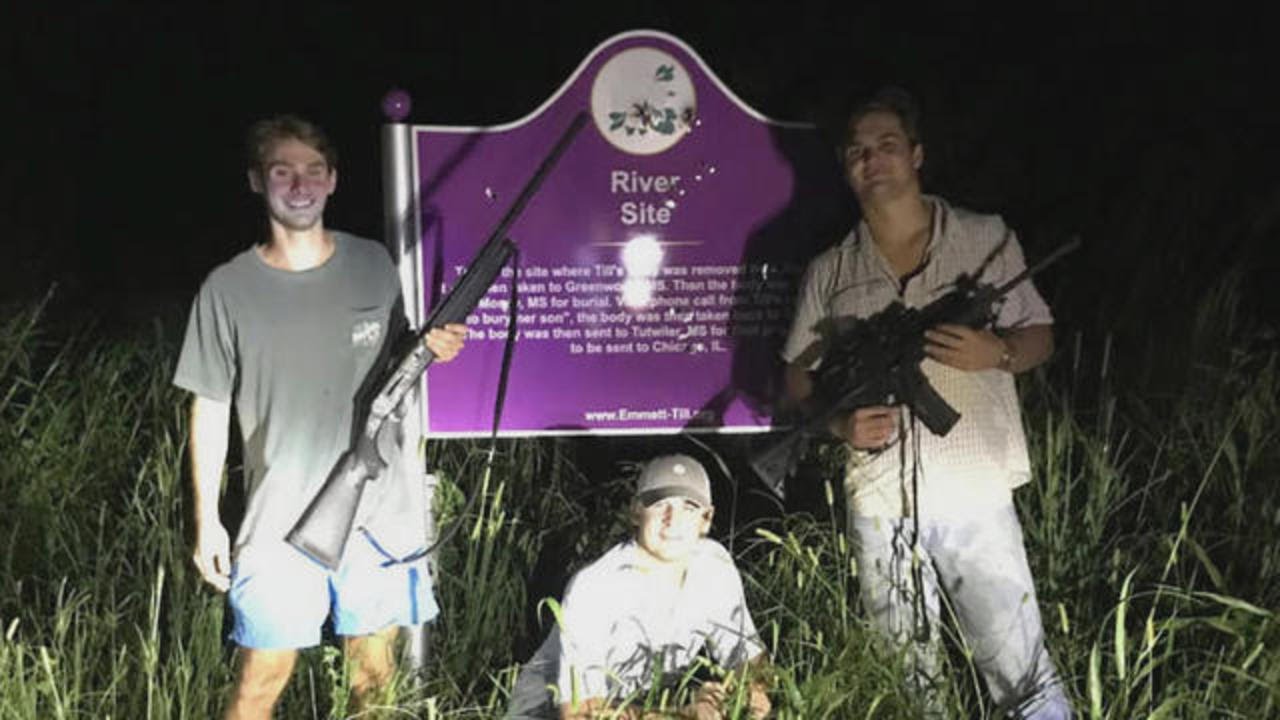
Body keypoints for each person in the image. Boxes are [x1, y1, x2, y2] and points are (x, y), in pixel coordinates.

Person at [780, 88, 1074, 719]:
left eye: (887, 146)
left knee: (1022, 671)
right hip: (880, 502)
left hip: (973, 491)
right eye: (858, 151)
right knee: (908, 683)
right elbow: (795, 379)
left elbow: (1039, 335)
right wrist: (838, 423)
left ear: (916, 155)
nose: (873, 160)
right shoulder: (829, 271)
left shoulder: (986, 238)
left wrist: (994, 353)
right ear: (846, 167)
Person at [174, 115, 468, 720]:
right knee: (262, 676)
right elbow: (208, 407)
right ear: (258, 182)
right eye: (283, 171)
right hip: (278, 519)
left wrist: (432, 347)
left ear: (333, 181)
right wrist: (208, 522)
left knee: (375, 675)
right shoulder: (226, 289)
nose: (299, 184)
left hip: (379, 513)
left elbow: (397, 366)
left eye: (312, 171)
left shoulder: (372, 264)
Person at [506, 454, 771, 719]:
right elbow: (579, 712)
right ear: (635, 511)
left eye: (688, 507)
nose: (672, 519)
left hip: (646, 703)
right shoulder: (596, 586)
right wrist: (682, 716)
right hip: (547, 710)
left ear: (706, 519)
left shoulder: (714, 565)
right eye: (660, 504)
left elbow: (749, 657)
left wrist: (751, 691)